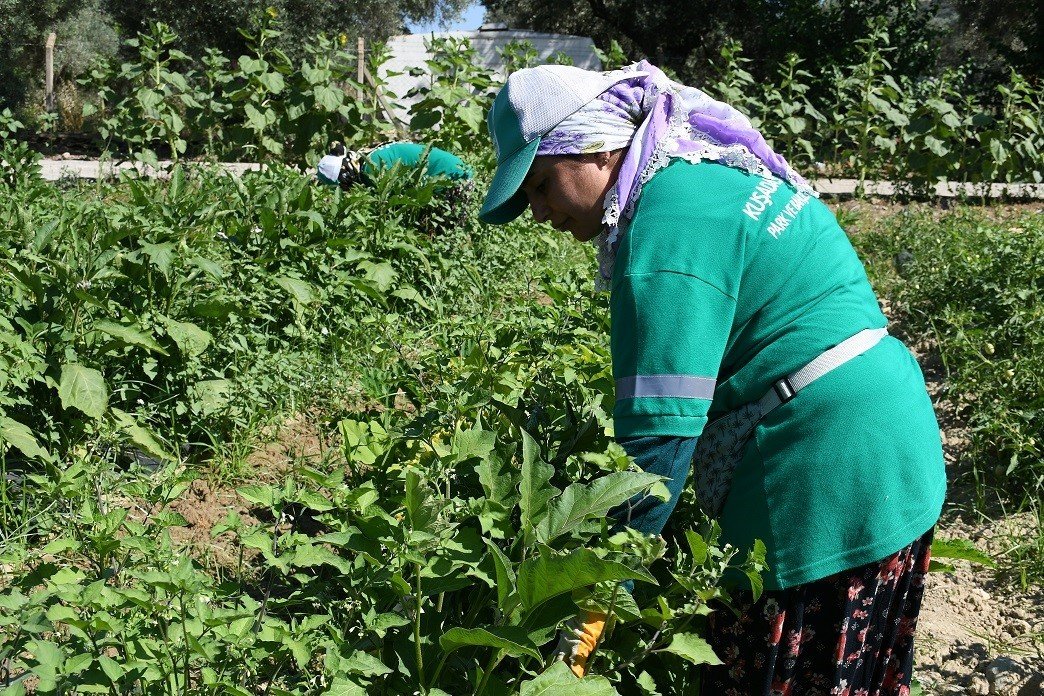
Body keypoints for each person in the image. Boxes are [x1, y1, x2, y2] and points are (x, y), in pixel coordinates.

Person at [479, 62, 946, 694]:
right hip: (888, 434)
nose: (538, 212)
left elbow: (657, 450)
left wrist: (594, 606)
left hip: (825, 469)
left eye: (539, 185)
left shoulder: (668, 227)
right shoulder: (701, 174)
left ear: (591, 148)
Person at [316, 141, 475, 230]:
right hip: (457, 170)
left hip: (453, 178)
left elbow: (389, 211)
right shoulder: (368, 157)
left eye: (343, 187)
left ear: (344, 176)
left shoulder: (371, 170)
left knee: (447, 233)